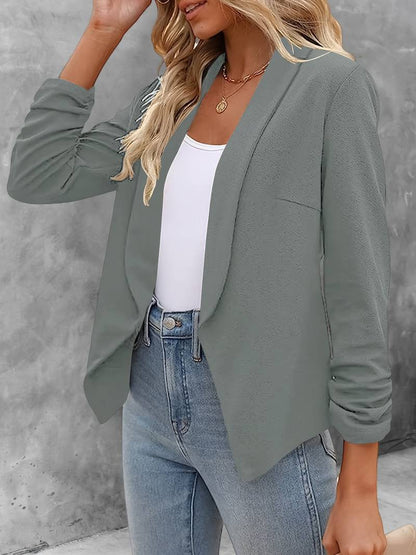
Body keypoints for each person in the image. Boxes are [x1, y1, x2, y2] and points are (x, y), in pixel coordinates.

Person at [6, 0, 392, 553]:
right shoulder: (175, 92)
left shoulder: (331, 85)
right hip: (149, 392)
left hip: (263, 406)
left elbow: (359, 289)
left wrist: (360, 488)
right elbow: (40, 171)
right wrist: (102, 28)